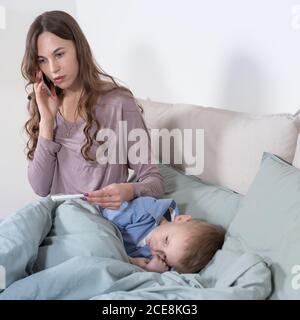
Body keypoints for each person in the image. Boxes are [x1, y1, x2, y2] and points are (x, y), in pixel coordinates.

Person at [22, 10, 164, 209]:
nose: (53, 69)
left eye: (59, 54)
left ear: (79, 49)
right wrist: (47, 121)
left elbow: (154, 182)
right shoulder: (44, 103)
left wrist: (128, 190)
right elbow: (40, 187)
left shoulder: (118, 103)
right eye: (42, 60)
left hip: (98, 222)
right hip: (59, 219)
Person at [100, 196, 225, 273]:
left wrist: (145, 268)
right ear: (180, 219)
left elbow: (118, 264)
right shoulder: (147, 210)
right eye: (166, 240)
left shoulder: (153, 259)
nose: (155, 249)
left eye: (164, 256)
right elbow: (107, 220)